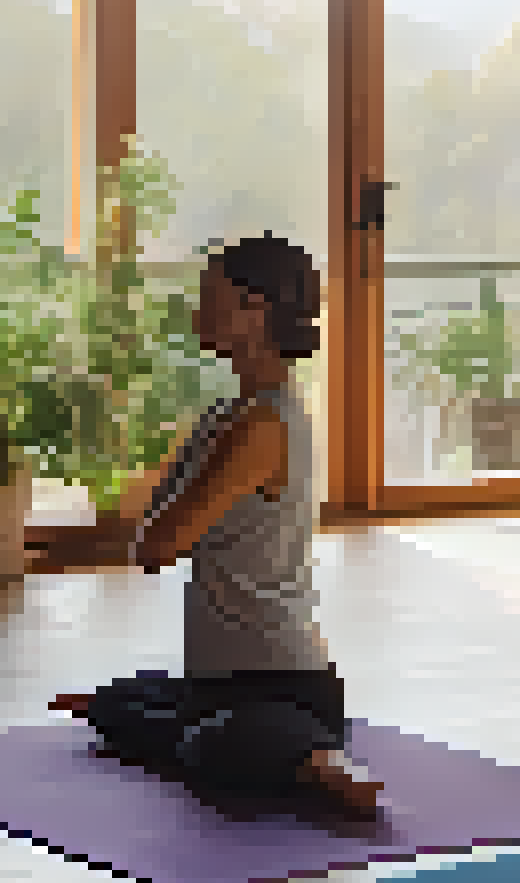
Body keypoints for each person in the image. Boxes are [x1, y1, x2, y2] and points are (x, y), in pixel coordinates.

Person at [30, 234, 382, 818]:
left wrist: (167, 490)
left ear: (256, 310)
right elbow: (155, 515)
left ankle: (317, 758)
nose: (196, 312)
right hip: (221, 679)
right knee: (138, 699)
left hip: (281, 683)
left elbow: (156, 547)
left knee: (203, 747)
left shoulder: (257, 428)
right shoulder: (226, 416)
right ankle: (130, 709)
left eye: (210, 297)